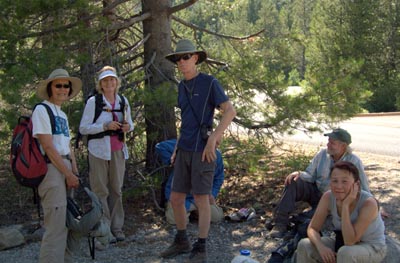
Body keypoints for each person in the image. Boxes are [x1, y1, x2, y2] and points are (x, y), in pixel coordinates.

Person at [161, 39, 236, 262]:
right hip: (184, 149)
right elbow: (184, 122)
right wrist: (175, 149)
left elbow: (229, 111)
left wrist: (214, 139)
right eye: (178, 59)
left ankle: (201, 247)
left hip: (203, 151)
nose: (181, 62)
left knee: (202, 199)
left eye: (186, 57)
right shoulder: (181, 86)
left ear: (195, 58)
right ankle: (182, 240)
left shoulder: (210, 83)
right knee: (176, 198)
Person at [269, 128, 370, 238]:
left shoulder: (354, 161)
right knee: (293, 181)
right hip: (316, 191)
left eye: (332, 143)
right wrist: (298, 174)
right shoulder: (322, 154)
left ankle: (297, 222)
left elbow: (363, 185)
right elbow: (310, 175)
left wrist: (372, 204)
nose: (328, 145)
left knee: (311, 220)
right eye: (328, 141)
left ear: (343, 146)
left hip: (333, 199)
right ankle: (280, 224)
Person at [79, 66, 134, 248]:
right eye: (105, 81)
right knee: (100, 190)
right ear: (100, 84)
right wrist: (105, 126)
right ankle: (104, 228)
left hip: (118, 150)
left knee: (116, 189)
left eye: (112, 80)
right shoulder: (93, 102)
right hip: (98, 151)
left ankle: (117, 228)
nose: (109, 83)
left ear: (117, 82)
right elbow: (84, 128)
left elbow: (130, 124)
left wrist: (127, 127)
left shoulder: (123, 101)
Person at [32, 68, 81, 263]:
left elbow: (67, 145)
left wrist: (74, 171)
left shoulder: (61, 114)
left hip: (65, 167)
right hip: (52, 169)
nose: (63, 89)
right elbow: (48, 147)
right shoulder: (41, 110)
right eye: (58, 85)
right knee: (55, 226)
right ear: (50, 88)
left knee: (68, 222)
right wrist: (68, 173)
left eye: (66, 86)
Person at [296, 161, 386, 262]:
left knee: (345, 253)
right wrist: (321, 247)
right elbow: (312, 228)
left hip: (371, 246)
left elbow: (350, 241)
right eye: (335, 181)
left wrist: (345, 205)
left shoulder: (368, 203)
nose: (338, 186)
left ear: (356, 184)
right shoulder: (328, 197)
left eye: (344, 181)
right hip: (341, 242)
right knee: (305, 245)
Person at [155, 139, 225, 225]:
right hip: (180, 196)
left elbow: (219, 178)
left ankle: (194, 212)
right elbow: (161, 146)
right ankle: (185, 211)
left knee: (216, 217)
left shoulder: (216, 156)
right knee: (175, 220)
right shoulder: (187, 146)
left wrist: (212, 194)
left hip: (201, 197)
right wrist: (174, 161)